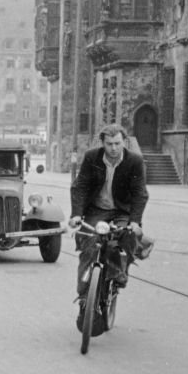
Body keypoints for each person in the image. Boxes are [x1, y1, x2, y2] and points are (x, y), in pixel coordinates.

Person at [67, 124, 148, 331]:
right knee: (89, 248)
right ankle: (85, 298)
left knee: (124, 239)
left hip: (122, 213)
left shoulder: (134, 161)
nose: (113, 148)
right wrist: (77, 214)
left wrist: (135, 221)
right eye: (109, 144)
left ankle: (120, 273)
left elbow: (140, 193)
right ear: (102, 143)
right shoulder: (92, 157)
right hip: (97, 211)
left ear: (124, 142)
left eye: (117, 143)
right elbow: (80, 186)